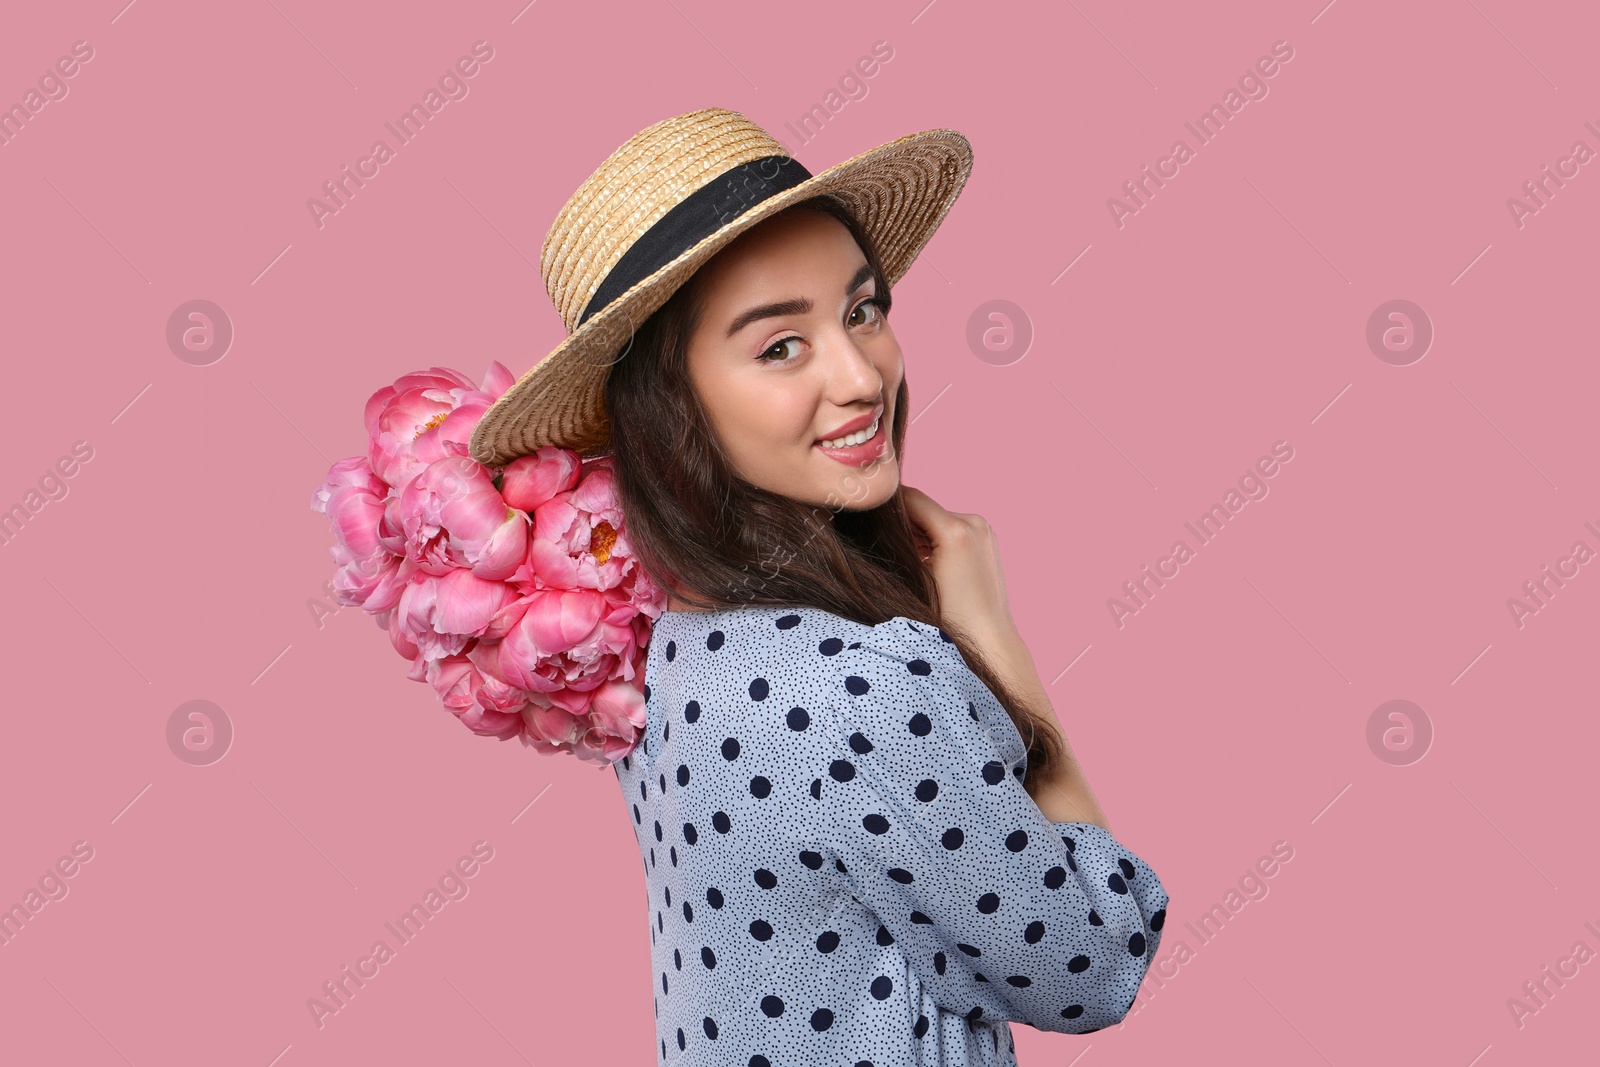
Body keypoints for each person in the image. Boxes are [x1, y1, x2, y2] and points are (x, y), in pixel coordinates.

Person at [468, 107, 1168, 1066]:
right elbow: (1092, 964)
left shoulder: (660, 646)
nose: (859, 375)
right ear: (674, 405)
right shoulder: (869, 687)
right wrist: (993, 636)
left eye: (862, 310)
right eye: (778, 346)